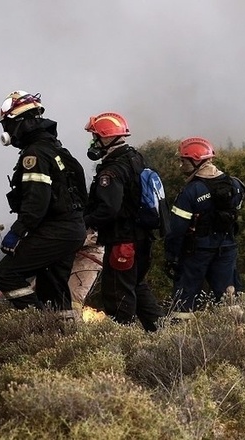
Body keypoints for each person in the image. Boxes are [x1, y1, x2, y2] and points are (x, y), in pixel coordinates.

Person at [0, 91, 88, 316]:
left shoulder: (34, 154)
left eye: (7, 125)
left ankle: (40, 324)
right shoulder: (58, 150)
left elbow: (37, 202)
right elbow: (82, 194)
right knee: (53, 288)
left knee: (5, 274)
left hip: (56, 229)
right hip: (73, 229)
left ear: (18, 123)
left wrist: (16, 232)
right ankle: (63, 340)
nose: (7, 133)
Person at [83, 112, 162, 331]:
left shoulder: (112, 170)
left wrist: (86, 222)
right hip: (142, 238)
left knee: (117, 293)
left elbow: (109, 208)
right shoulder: (136, 158)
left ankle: (121, 340)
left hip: (123, 241)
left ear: (106, 138)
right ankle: (161, 331)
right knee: (137, 285)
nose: (93, 142)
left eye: (95, 136)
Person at [164, 137, 243, 320]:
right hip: (227, 249)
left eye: (183, 161)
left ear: (195, 160)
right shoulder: (235, 185)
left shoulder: (191, 192)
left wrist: (171, 256)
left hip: (195, 252)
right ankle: (239, 335)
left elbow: (176, 230)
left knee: (184, 298)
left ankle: (180, 338)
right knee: (229, 298)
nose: (181, 166)